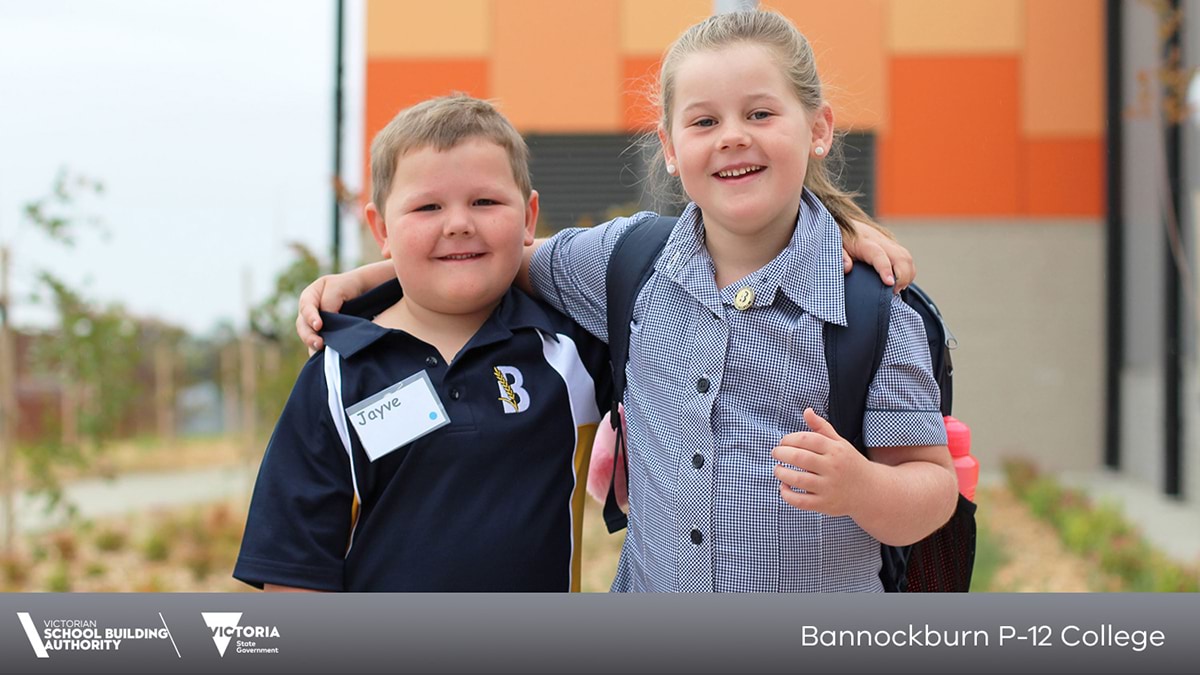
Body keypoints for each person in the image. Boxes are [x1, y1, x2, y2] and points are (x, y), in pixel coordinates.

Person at [296, 10, 951, 593]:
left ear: (819, 129)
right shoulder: (624, 261)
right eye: (703, 120)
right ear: (669, 147)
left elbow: (934, 487)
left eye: (759, 113)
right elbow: (488, 259)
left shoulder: (873, 308)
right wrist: (370, 278)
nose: (731, 136)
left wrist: (862, 487)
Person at [234, 95, 614, 592]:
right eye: (428, 207)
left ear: (529, 216)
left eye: (485, 202)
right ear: (381, 229)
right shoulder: (338, 374)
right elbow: (294, 570)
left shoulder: (573, 350)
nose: (458, 223)